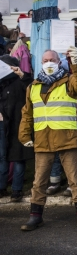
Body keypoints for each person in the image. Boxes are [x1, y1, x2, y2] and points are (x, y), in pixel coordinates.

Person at [18, 47, 77, 230]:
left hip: (66, 137)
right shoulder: (33, 87)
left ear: (60, 62)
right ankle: (35, 216)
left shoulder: (69, 81)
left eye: (52, 59)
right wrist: (24, 135)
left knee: (74, 179)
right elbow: (27, 113)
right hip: (43, 139)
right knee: (39, 181)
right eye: (45, 61)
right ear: (41, 63)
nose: (48, 63)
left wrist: (75, 63)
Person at [0, 56, 33, 202]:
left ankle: (16, 190)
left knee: (19, 157)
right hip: (3, 126)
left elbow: (32, 87)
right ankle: (2, 188)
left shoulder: (20, 81)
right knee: (2, 157)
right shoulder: (2, 84)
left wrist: (22, 75)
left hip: (19, 125)